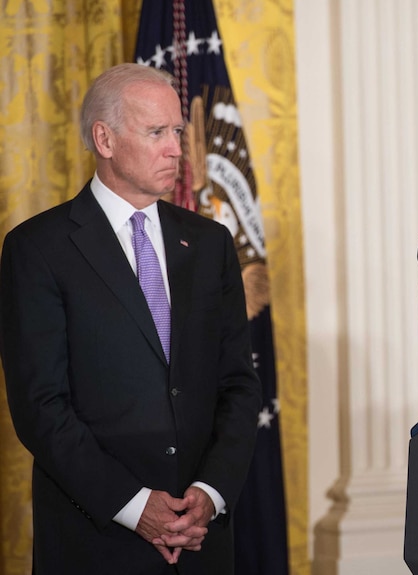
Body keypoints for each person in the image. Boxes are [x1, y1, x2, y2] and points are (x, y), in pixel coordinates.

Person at [0, 63, 261, 574]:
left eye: (178, 132)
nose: (176, 149)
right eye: (156, 132)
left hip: (201, 538)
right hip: (96, 538)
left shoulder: (210, 245)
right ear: (105, 138)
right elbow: (40, 406)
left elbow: (238, 384)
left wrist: (210, 492)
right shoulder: (38, 249)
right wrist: (136, 506)